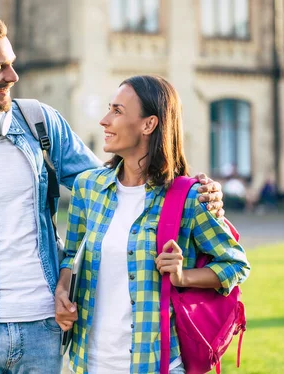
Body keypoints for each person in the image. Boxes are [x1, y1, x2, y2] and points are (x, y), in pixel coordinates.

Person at [0, 11, 226, 374]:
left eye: (11, 64)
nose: (12, 77)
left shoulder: (41, 123)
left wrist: (186, 186)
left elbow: (111, 185)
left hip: (43, 333)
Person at [55, 75, 250, 374]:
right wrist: (63, 293)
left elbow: (236, 264)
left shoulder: (189, 197)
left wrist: (184, 277)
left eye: (117, 111)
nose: (104, 121)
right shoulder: (87, 187)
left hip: (156, 365)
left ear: (149, 124)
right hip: (88, 363)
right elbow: (72, 256)